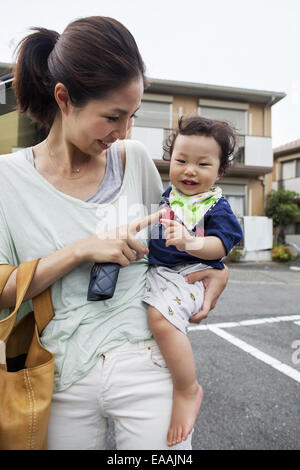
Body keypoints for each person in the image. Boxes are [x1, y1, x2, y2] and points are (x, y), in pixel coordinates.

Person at [0, 17, 229, 450]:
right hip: (60, 373)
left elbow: (178, 231)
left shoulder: (134, 159)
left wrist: (217, 267)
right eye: (113, 117)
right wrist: (79, 251)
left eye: (132, 116)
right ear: (64, 98)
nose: (124, 132)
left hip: (147, 359)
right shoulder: (6, 180)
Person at [143, 115, 243, 447]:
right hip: (163, 272)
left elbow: (222, 244)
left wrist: (191, 242)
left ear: (220, 172)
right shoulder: (169, 195)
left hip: (189, 274)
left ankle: (187, 389)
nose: (189, 170)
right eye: (181, 160)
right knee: (156, 317)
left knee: (159, 318)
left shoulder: (214, 204)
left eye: (203, 164)